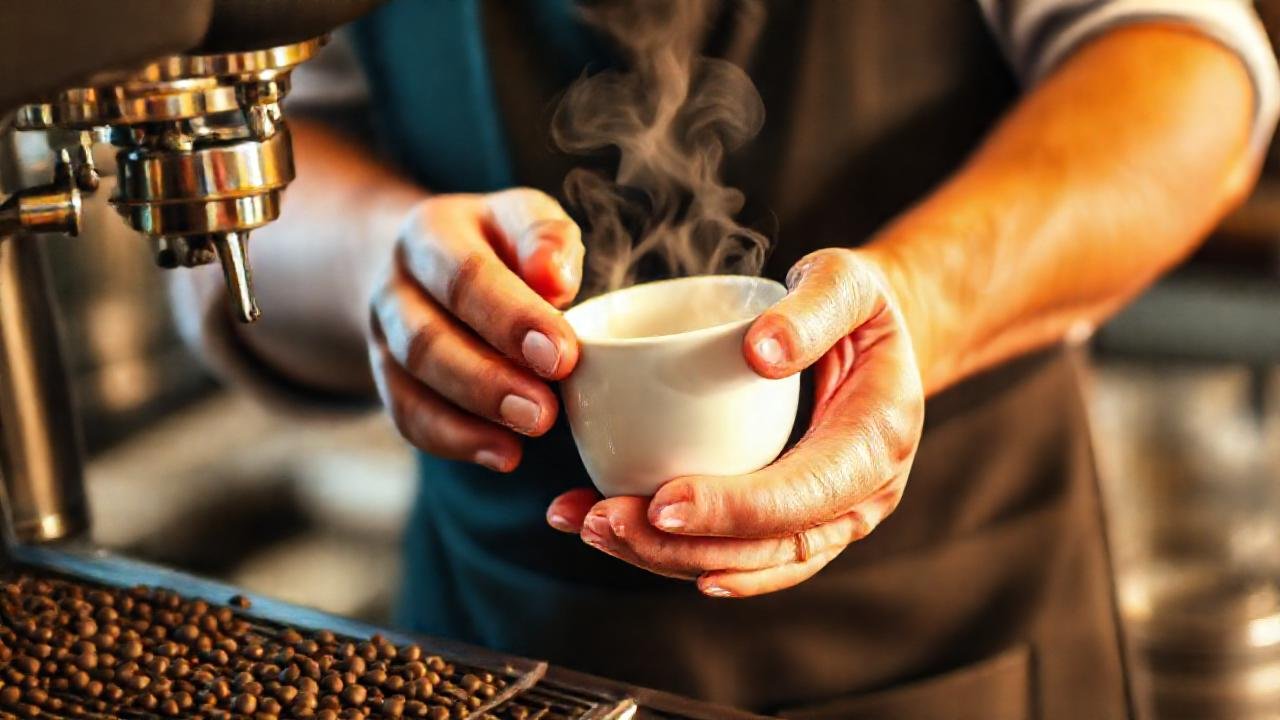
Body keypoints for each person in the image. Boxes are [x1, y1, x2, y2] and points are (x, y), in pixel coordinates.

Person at [172, 1, 1279, 717]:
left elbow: (1185, 75)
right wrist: (383, 262)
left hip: (964, 634)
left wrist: (915, 302)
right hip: (501, 640)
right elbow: (233, 183)